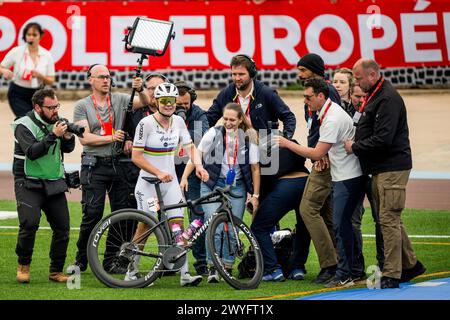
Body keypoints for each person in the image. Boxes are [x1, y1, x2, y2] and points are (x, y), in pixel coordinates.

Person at [277, 78, 366, 288]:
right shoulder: (325, 111)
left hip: (347, 176)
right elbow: (322, 148)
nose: (305, 101)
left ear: (320, 96)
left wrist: (287, 144)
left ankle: (342, 271)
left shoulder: (332, 117)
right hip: (340, 173)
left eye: (308, 97)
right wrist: (322, 154)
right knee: (338, 222)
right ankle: (348, 270)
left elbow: (317, 152)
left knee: (341, 224)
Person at [345, 58, 426, 289]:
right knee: (389, 218)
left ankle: (392, 273)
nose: (356, 83)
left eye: (359, 78)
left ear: (373, 75)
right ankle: (411, 265)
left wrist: (355, 147)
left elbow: (384, 138)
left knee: (388, 219)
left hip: (392, 167)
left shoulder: (387, 98)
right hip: (382, 167)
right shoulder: (376, 95)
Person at [70, 64, 150, 273]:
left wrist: (140, 88)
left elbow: (146, 102)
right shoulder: (82, 105)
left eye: (108, 77)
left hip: (117, 164)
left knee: (121, 214)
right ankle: (81, 259)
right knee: (92, 214)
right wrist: (111, 137)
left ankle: (111, 261)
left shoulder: (121, 99)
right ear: (91, 80)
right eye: (101, 77)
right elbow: (84, 137)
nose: (106, 80)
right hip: (93, 165)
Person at [130, 82, 209, 287]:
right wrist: (157, 172)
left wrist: (199, 167)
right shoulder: (146, 123)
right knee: (146, 224)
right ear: (155, 101)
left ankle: (184, 274)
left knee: (178, 225)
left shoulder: (179, 122)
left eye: (171, 101)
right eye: (164, 101)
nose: (168, 105)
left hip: (170, 183)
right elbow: (136, 157)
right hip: (148, 184)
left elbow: (191, 148)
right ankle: (132, 271)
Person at [181, 102, 260, 283]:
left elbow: (255, 169)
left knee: (231, 229)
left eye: (232, 119)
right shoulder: (214, 133)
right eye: (225, 119)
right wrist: (185, 177)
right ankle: (213, 267)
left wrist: (255, 195)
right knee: (214, 227)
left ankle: (227, 266)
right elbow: (197, 155)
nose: (228, 123)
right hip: (212, 184)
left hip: (236, 187)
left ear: (240, 120)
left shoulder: (248, 138)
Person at [12, 88, 74, 283]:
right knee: (29, 224)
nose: (55, 111)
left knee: (63, 228)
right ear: (38, 107)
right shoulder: (23, 125)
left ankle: (55, 271)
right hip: (27, 181)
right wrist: (54, 135)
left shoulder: (57, 122)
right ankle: (23, 265)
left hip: (53, 180)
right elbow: (32, 152)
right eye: (51, 107)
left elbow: (68, 149)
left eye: (57, 106)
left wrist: (67, 137)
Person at [296, 53, 341, 284]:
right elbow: (315, 127)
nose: (299, 75)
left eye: (303, 71)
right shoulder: (316, 94)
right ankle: (339, 263)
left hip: (324, 160)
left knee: (308, 209)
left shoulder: (327, 94)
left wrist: (321, 153)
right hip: (320, 157)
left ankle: (330, 264)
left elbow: (330, 129)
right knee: (326, 214)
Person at [251, 133, 310, 282]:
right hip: (307, 183)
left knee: (259, 227)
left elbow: (263, 186)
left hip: (285, 187)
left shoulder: (263, 153)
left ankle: (273, 269)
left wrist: (257, 206)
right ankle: (297, 268)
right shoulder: (292, 144)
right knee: (304, 227)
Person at [207, 54, 296, 139]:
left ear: (252, 74)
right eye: (234, 74)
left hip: (264, 147)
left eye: (241, 74)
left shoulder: (267, 93)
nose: (237, 78)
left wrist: (285, 138)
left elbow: (288, 117)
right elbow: (209, 119)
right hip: (235, 146)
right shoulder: (226, 93)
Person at [173, 81, 210, 276]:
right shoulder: (165, 113)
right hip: (170, 171)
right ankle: (171, 260)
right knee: (170, 216)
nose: (182, 108)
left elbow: (199, 140)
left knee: (197, 216)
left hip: (192, 172)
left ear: (192, 101)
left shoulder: (199, 114)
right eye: (178, 104)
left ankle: (201, 263)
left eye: (185, 104)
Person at [0, 22, 55, 118]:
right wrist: (4, 71)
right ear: (25, 36)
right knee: (27, 119)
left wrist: (40, 76)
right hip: (18, 93)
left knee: (39, 120)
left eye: (34, 35)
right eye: (28, 34)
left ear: (40, 36)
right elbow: (1, 67)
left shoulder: (46, 55)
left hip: (38, 93)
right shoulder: (17, 51)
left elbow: (51, 80)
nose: (31, 38)